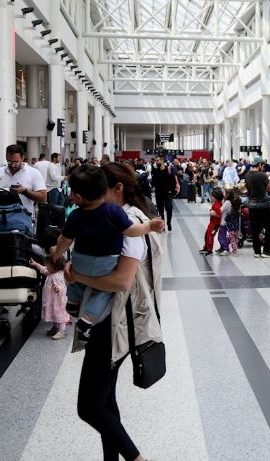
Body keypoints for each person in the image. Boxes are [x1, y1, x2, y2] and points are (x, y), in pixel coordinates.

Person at [65, 161, 162, 461]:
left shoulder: (128, 225)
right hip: (110, 320)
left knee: (89, 407)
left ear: (117, 189)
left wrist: (78, 276)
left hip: (114, 324)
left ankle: (137, 459)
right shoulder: (112, 219)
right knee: (106, 401)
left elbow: (121, 281)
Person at [51, 164, 164, 340]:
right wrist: (150, 226)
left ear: (118, 188)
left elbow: (121, 282)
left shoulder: (78, 215)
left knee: (98, 291)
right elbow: (131, 231)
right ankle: (86, 318)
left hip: (117, 321)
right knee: (101, 294)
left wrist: (74, 273)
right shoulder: (115, 213)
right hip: (104, 271)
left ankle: (74, 304)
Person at [29, 255, 70, 340]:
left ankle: (62, 331)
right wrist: (36, 264)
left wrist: (58, 288)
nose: (46, 266)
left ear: (55, 266)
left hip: (58, 301)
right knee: (54, 314)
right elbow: (43, 269)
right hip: (52, 300)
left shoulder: (58, 276)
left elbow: (63, 287)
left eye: (48, 265)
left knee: (59, 315)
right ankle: (55, 328)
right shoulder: (51, 273)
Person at [0, 144, 47, 218]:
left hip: (23, 220)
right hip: (2, 219)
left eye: (16, 162)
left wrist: (25, 191)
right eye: (9, 162)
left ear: (22, 158)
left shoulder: (33, 173)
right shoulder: (0, 171)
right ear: (6, 157)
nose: (13, 165)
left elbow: (43, 198)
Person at [245, 156, 270, 258]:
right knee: (269, 227)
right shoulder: (262, 175)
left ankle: (257, 252)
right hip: (263, 205)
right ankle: (266, 250)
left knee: (255, 229)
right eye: (262, 165)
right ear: (259, 165)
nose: (263, 167)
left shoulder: (247, 175)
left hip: (252, 205)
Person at [151, 155, 178, 231]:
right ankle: (162, 225)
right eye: (156, 161)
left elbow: (173, 181)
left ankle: (169, 223)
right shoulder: (155, 171)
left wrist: (172, 191)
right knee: (160, 210)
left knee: (169, 208)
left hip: (168, 193)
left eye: (157, 160)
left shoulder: (168, 170)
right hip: (158, 193)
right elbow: (153, 183)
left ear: (162, 161)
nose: (156, 162)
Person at [199, 188, 224, 256]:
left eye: (212, 196)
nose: (211, 197)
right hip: (212, 223)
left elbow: (219, 214)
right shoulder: (217, 203)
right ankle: (206, 248)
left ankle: (209, 249)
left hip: (214, 224)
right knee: (207, 235)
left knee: (210, 236)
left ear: (216, 197)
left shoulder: (217, 205)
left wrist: (211, 212)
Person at [225, 190, 241, 256]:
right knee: (236, 238)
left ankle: (234, 251)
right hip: (236, 227)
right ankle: (234, 248)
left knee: (232, 239)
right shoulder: (238, 213)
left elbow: (226, 219)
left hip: (231, 228)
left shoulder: (230, 213)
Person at [217, 189, 232, 255]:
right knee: (222, 235)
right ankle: (222, 248)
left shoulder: (227, 202)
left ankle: (226, 249)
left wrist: (214, 209)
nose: (222, 193)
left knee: (221, 236)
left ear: (227, 194)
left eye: (224, 192)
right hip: (225, 222)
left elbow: (220, 210)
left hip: (224, 222)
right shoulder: (227, 201)